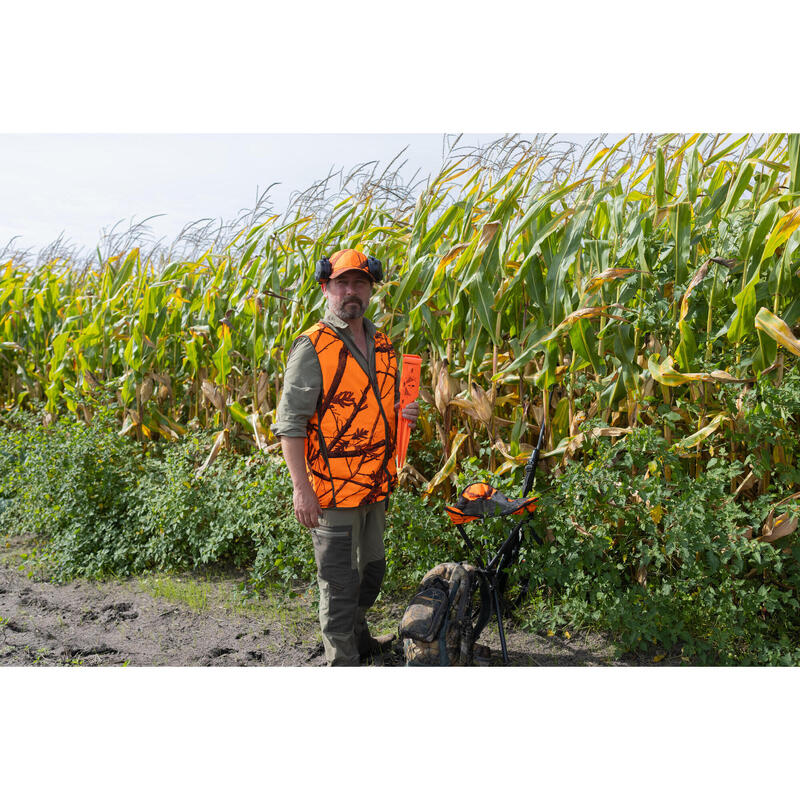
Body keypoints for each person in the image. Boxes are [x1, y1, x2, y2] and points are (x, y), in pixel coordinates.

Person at [272, 248, 419, 666]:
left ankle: (359, 633)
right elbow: (291, 424)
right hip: (332, 491)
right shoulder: (312, 347)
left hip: (374, 484)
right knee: (338, 583)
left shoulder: (386, 346)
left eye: (359, 283)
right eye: (342, 284)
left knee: (371, 571)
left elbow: (384, 405)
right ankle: (343, 660)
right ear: (326, 288)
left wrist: (404, 411)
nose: (350, 292)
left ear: (370, 289)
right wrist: (302, 490)